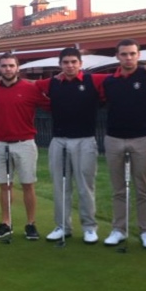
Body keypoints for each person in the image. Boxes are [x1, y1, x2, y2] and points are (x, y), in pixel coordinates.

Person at [101, 38, 146, 249]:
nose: (128, 58)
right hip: (114, 138)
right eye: (124, 54)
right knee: (119, 189)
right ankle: (118, 230)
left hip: (142, 138)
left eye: (132, 54)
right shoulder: (108, 81)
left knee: (143, 188)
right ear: (117, 56)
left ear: (138, 55)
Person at [34, 48, 108, 244]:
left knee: (85, 186)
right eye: (66, 62)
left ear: (80, 63)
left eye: (74, 62)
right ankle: (62, 226)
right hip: (59, 140)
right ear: (60, 65)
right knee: (60, 186)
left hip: (85, 140)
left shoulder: (93, 80)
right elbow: (30, 86)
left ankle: (89, 227)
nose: (70, 65)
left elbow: (119, 76)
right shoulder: (53, 83)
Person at [0, 52, 50, 240]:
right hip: (0, 143)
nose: (8, 69)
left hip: (25, 143)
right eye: (4, 66)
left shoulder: (30, 88)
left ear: (17, 68)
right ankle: (6, 223)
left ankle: (30, 224)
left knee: (28, 185)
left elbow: (49, 105)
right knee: (5, 186)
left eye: (11, 66)